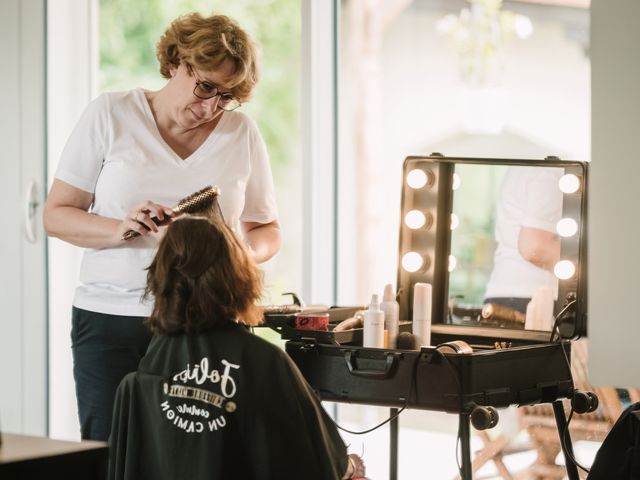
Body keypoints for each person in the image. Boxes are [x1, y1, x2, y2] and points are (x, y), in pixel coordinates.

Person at [43, 12, 281, 441]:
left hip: (208, 322)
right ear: (176, 63)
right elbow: (56, 215)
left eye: (225, 96)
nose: (211, 106)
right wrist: (119, 227)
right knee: (111, 451)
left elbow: (266, 228)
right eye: (205, 86)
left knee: (199, 455)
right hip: (112, 320)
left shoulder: (240, 133)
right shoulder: (111, 114)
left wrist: (239, 253)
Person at [108, 216, 366, 480]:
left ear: (162, 277)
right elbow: (319, 461)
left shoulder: (153, 358)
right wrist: (352, 466)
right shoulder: (265, 361)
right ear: (234, 274)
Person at [483, 165, 563, 314]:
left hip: (510, 293)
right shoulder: (551, 169)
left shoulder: (523, 165)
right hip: (531, 296)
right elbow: (534, 247)